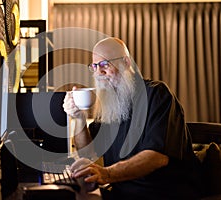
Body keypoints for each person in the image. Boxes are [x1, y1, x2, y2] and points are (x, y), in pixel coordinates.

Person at [63, 37, 202, 199]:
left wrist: (107, 174)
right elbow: (88, 154)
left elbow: (156, 157)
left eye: (104, 65)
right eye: (94, 66)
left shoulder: (157, 94)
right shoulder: (110, 104)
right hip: (123, 193)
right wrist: (79, 118)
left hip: (163, 192)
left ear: (126, 63)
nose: (98, 72)